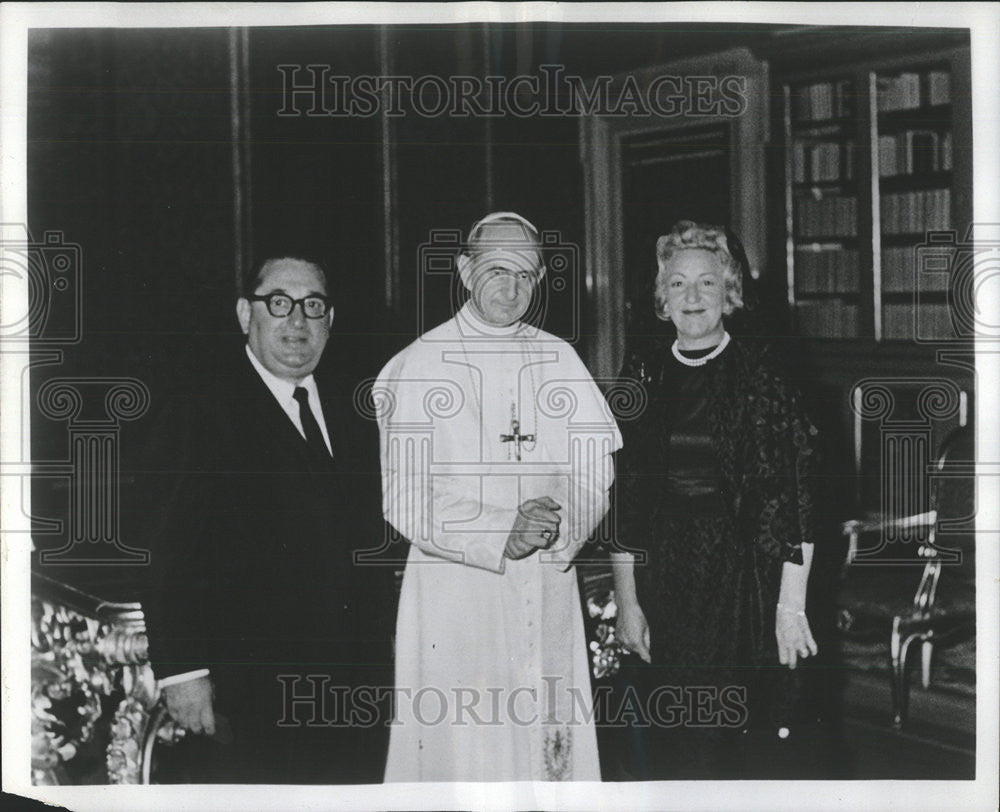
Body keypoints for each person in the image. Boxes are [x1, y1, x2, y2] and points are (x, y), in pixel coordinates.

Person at [373, 212, 622, 781]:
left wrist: (559, 524)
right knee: (468, 758)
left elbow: (593, 473)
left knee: (547, 760)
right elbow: (404, 499)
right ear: (464, 269)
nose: (513, 289)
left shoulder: (559, 358)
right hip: (458, 596)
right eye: (497, 271)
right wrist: (500, 530)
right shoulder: (419, 365)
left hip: (545, 584)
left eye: (527, 275)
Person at [136, 255, 391, 783]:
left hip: (352, 689)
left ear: (331, 320)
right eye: (279, 303)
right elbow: (167, 552)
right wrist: (184, 672)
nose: (297, 321)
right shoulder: (200, 409)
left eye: (313, 306)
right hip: (247, 693)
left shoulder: (356, 408)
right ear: (243, 313)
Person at [611, 220, 821, 779]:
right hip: (667, 577)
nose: (693, 297)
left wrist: (790, 606)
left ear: (730, 293)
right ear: (661, 300)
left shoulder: (763, 375)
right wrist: (628, 602)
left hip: (741, 580)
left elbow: (794, 498)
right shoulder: (643, 375)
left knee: (737, 744)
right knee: (674, 737)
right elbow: (627, 498)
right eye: (677, 284)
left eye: (707, 282)